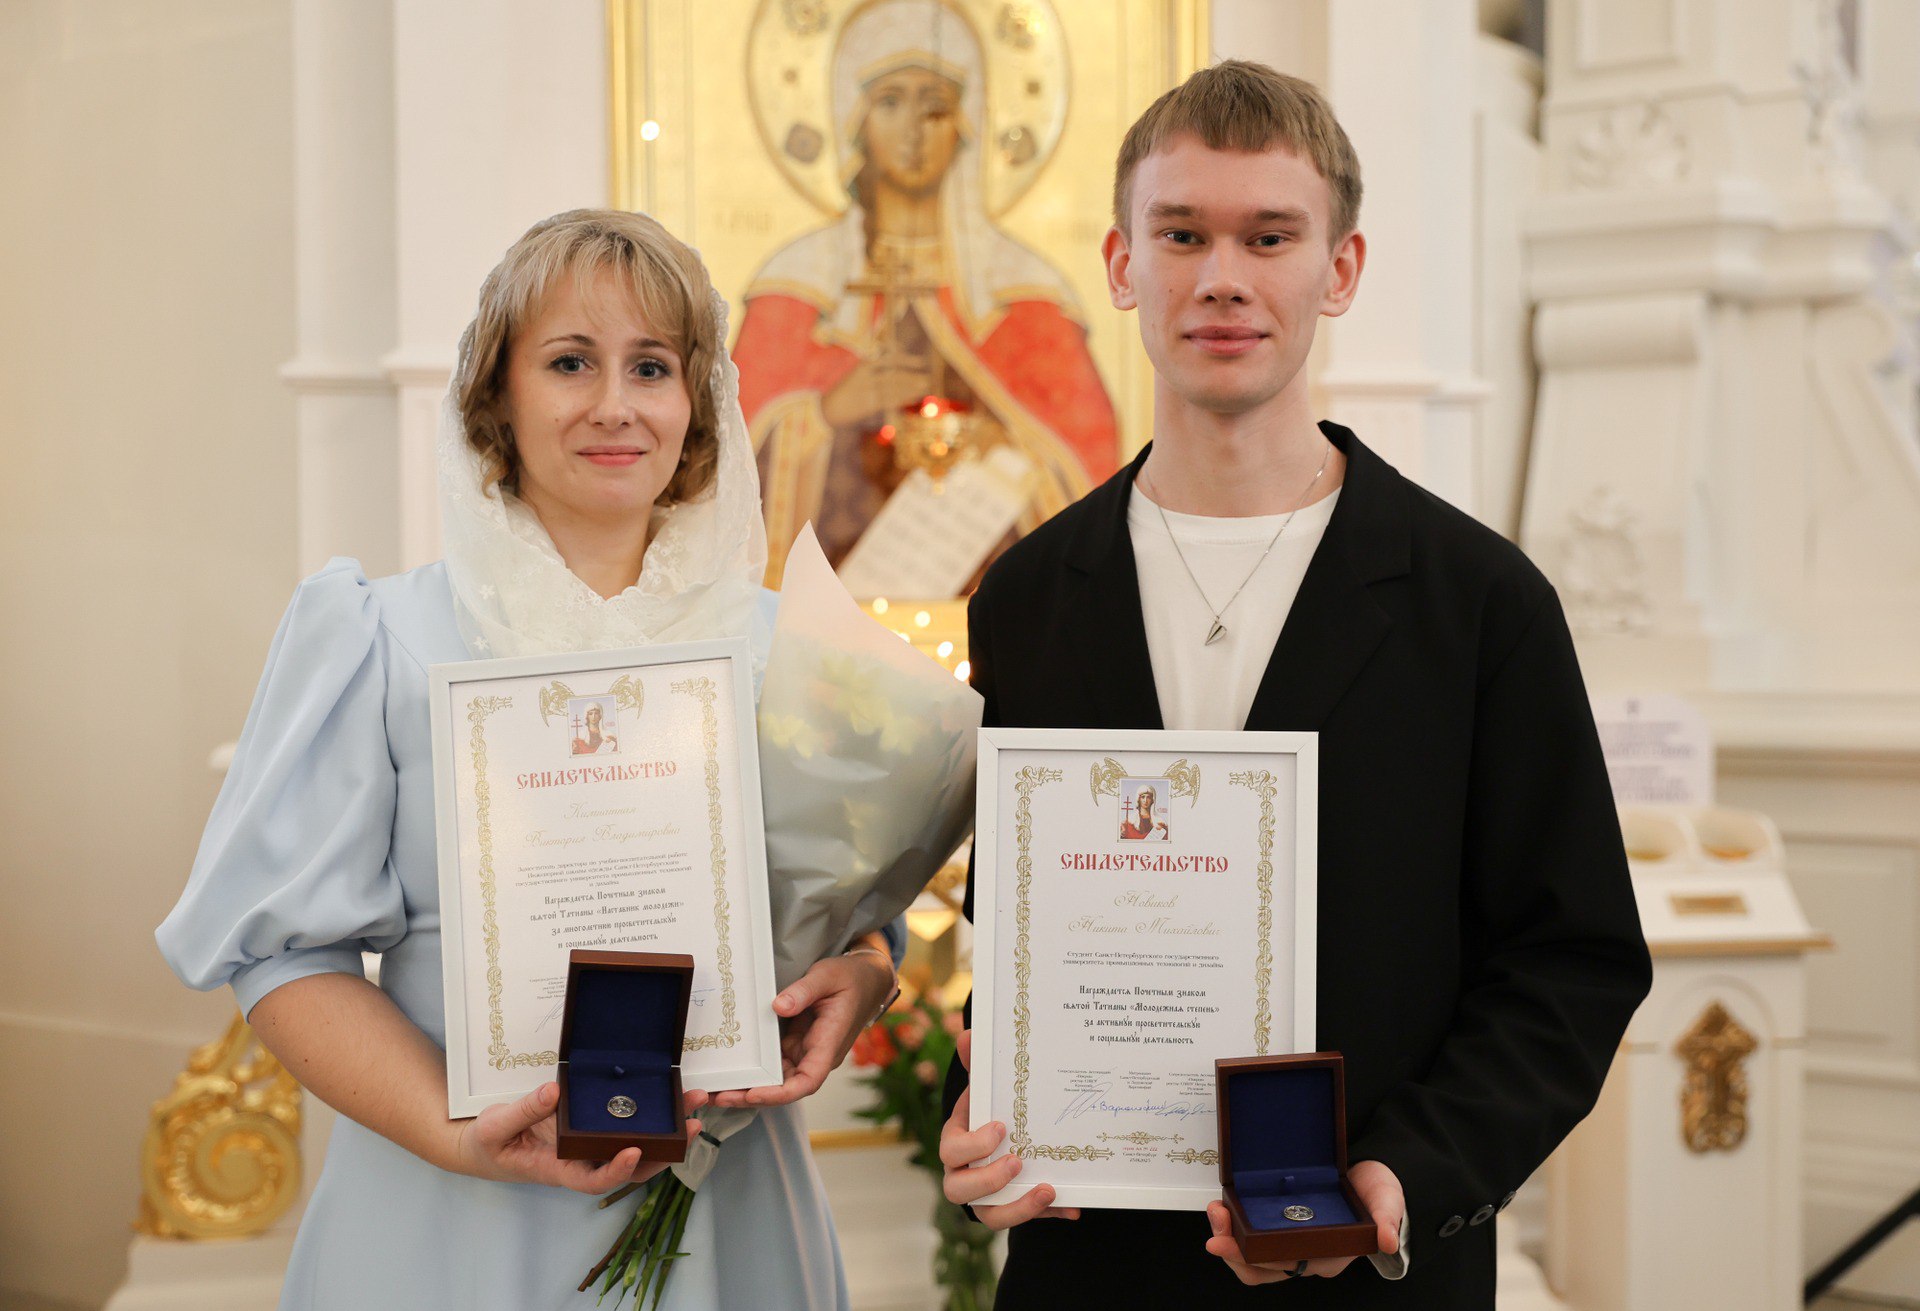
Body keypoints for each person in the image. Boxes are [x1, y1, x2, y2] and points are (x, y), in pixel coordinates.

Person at [937, 62, 1652, 1308]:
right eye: (1183, 234)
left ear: (1340, 270)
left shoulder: (1481, 602)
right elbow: (1030, 936)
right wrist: (984, 1114)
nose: (1224, 276)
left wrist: (1405, 1178)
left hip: (1368, 1274)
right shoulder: (1030, 598)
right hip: (1093, 1271)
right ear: (1122, 266)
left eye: (1270, 236)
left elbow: (1570, 963)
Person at [157, 209, 898, 1310]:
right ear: (494, 394)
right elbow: (286, 958)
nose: (614, 404)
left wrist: (869, 973)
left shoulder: (789, 650)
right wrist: (457, 1136)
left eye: (651, 366)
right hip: (445, 1218)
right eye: (568, 362)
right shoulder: (381, 637)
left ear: (697, 404)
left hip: (726, 1217)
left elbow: (849, 919)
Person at [733, 0, 1119, 584]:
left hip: (991, 611)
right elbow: (723, 469)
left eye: (935, 105)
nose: (913, 129)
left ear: (967, 123)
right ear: (854, 117)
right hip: (828, 615)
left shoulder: (1027, 293)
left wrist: (1004, 448)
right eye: (889, 101)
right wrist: (827, 413)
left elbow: (1092, 472)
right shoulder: (798, 285)